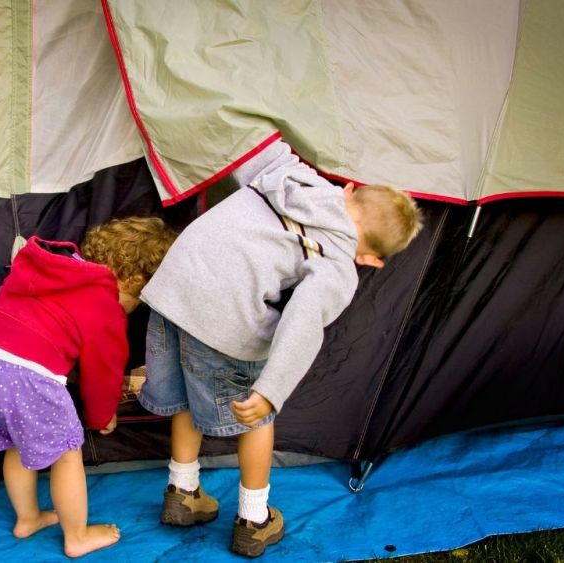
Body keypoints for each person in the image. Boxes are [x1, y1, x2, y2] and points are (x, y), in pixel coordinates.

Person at [137, 139, 423, 557]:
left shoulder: (290, 175)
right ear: (373, 260)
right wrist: (271, 389)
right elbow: (303, 322)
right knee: (257, 419)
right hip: (221, 315)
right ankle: (253, 519)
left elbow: (250, 145)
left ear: (346, 192)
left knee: (185, 392)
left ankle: (183, 493)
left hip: (171, 291)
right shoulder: (338, 265)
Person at [0, 216, 177, 558]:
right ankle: (77, 536)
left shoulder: (50, 266)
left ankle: (28, 518)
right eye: (139, 298)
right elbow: (101, 373)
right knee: (66, 454)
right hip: (28, 377)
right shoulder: (104, 303)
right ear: (135, 279)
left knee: (16, 444)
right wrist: (101, 415)